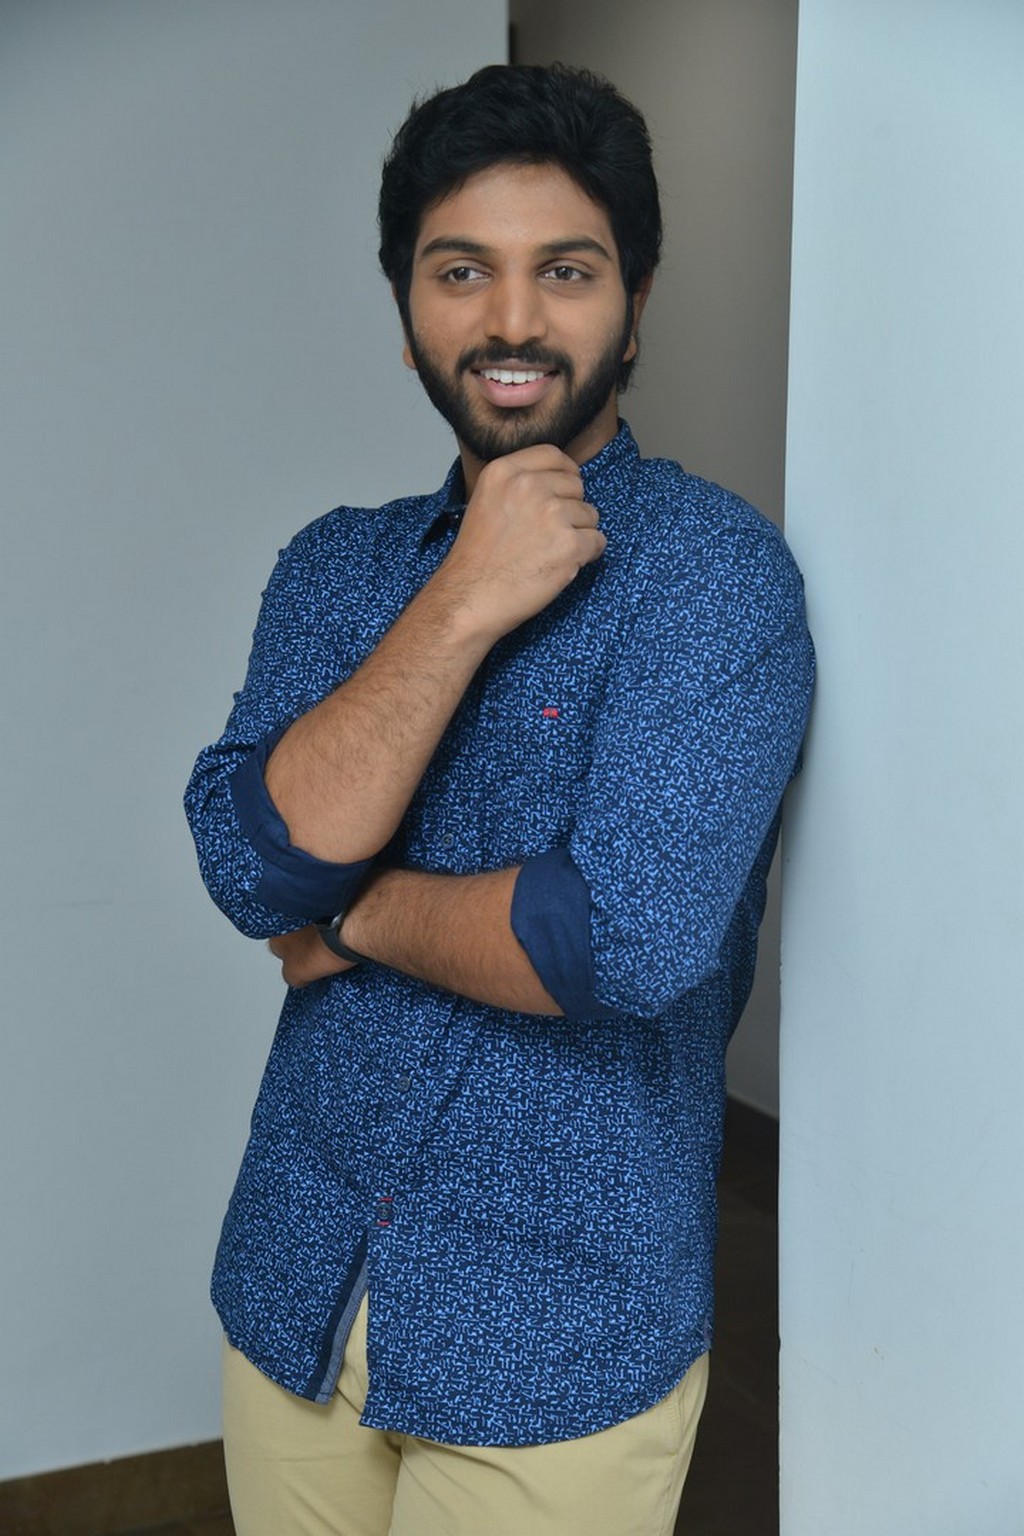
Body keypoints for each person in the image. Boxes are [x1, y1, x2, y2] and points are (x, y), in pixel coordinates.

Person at [185, 62, 814, 1536]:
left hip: (558, 1335)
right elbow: (243, 862)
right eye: (461, 271)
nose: (513, 320)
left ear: (634, 309)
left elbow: (615, 943)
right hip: (296, 1280)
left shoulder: (716, 580)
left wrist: (349, 909)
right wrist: (463, 595)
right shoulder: (335, 568)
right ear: (408, 312)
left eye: (566, 271)